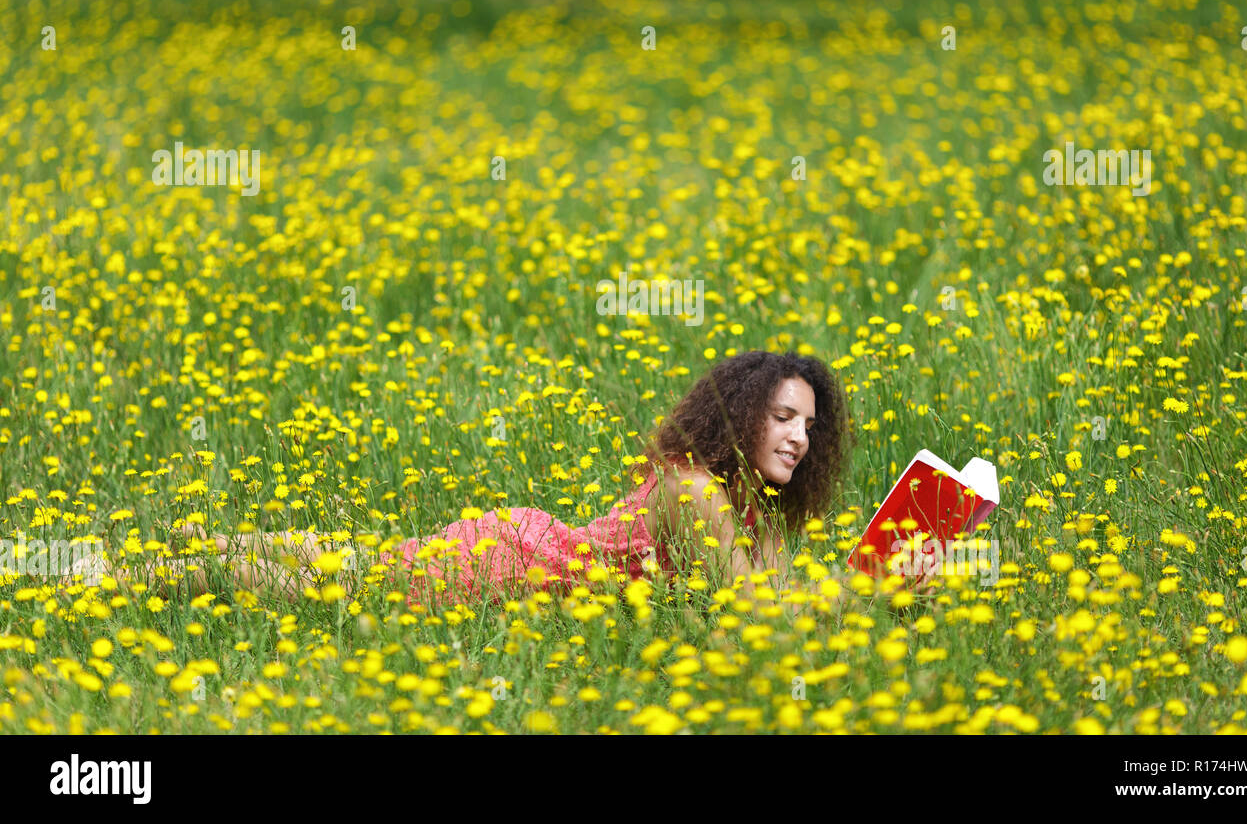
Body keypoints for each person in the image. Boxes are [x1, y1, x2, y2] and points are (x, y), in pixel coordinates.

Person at [90, 351, 851, 608]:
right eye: (784, 416)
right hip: (511, 568)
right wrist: (870, 591)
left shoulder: (748, 505)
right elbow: (762, 617)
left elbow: (775, 595)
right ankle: (155, 572)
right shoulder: (696, 494)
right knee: (341, 581)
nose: (799, 436)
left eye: (810, 426)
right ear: (743, 414)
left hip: (533, 549)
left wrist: (867, 578)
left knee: (353, 555)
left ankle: (210, 538)